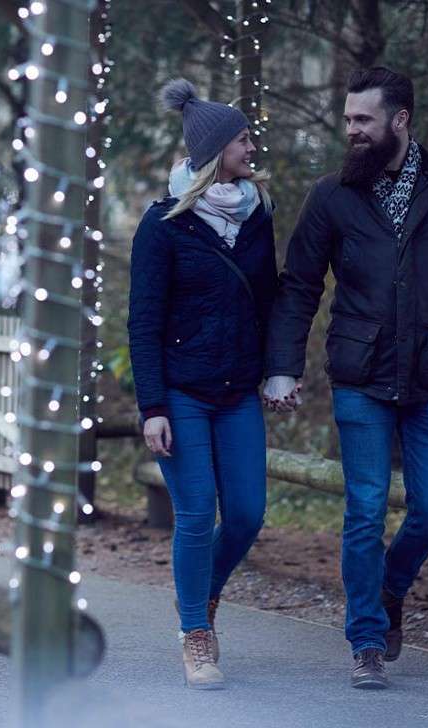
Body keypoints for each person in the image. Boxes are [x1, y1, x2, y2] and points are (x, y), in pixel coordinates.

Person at [262, 67, 428, 690]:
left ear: (399, 121)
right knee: (366, 508)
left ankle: (387, 590)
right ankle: (367, 641)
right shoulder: (332, 195)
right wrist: (281, 366)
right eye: (348, 120)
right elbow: (299, 286)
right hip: (359, 375)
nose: (351, 130)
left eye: (362, 120)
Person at [128, 78, 277, 690]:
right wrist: (152, 406)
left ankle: (202, 598)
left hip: (238, 389)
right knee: (196, 514)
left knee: (245, 514)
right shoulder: (162, 225)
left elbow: (269, 300)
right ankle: (196, 634)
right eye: (243, 138)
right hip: (183, 393)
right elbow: (143, 320)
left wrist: (277, 371)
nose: (251, 146)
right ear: (216, 150)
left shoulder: (258, 214)